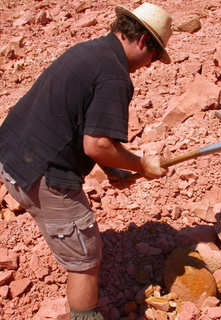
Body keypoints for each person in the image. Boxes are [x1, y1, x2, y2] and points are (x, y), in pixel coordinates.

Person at [0, 2, 172, 319]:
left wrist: (113, 168)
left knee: (81, 249)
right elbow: (97, 144)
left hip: (11, 156)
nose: (151, 65)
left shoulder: (92, 52)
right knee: (86, 261)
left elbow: (79, 120)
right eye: (155, 56)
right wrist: (142, 164)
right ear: (144, 41)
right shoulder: (116, 77)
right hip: (43, 175)